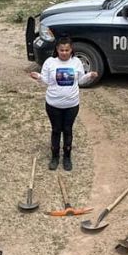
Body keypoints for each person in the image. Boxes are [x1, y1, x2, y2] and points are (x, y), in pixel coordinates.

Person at [29, 36, 98, 171]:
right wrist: (38, 78)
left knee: (67, 130)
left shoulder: (77, 62)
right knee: (56, 130)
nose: (64, 53)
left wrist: (90, 76)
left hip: (71, 105)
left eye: (67, 50)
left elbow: (81, 81)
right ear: (57, 50)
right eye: (62, 50)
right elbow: (46, 81)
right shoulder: (50, 62)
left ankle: (67, 157)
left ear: (71, 50)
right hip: (53, 104)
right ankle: (55, 157)